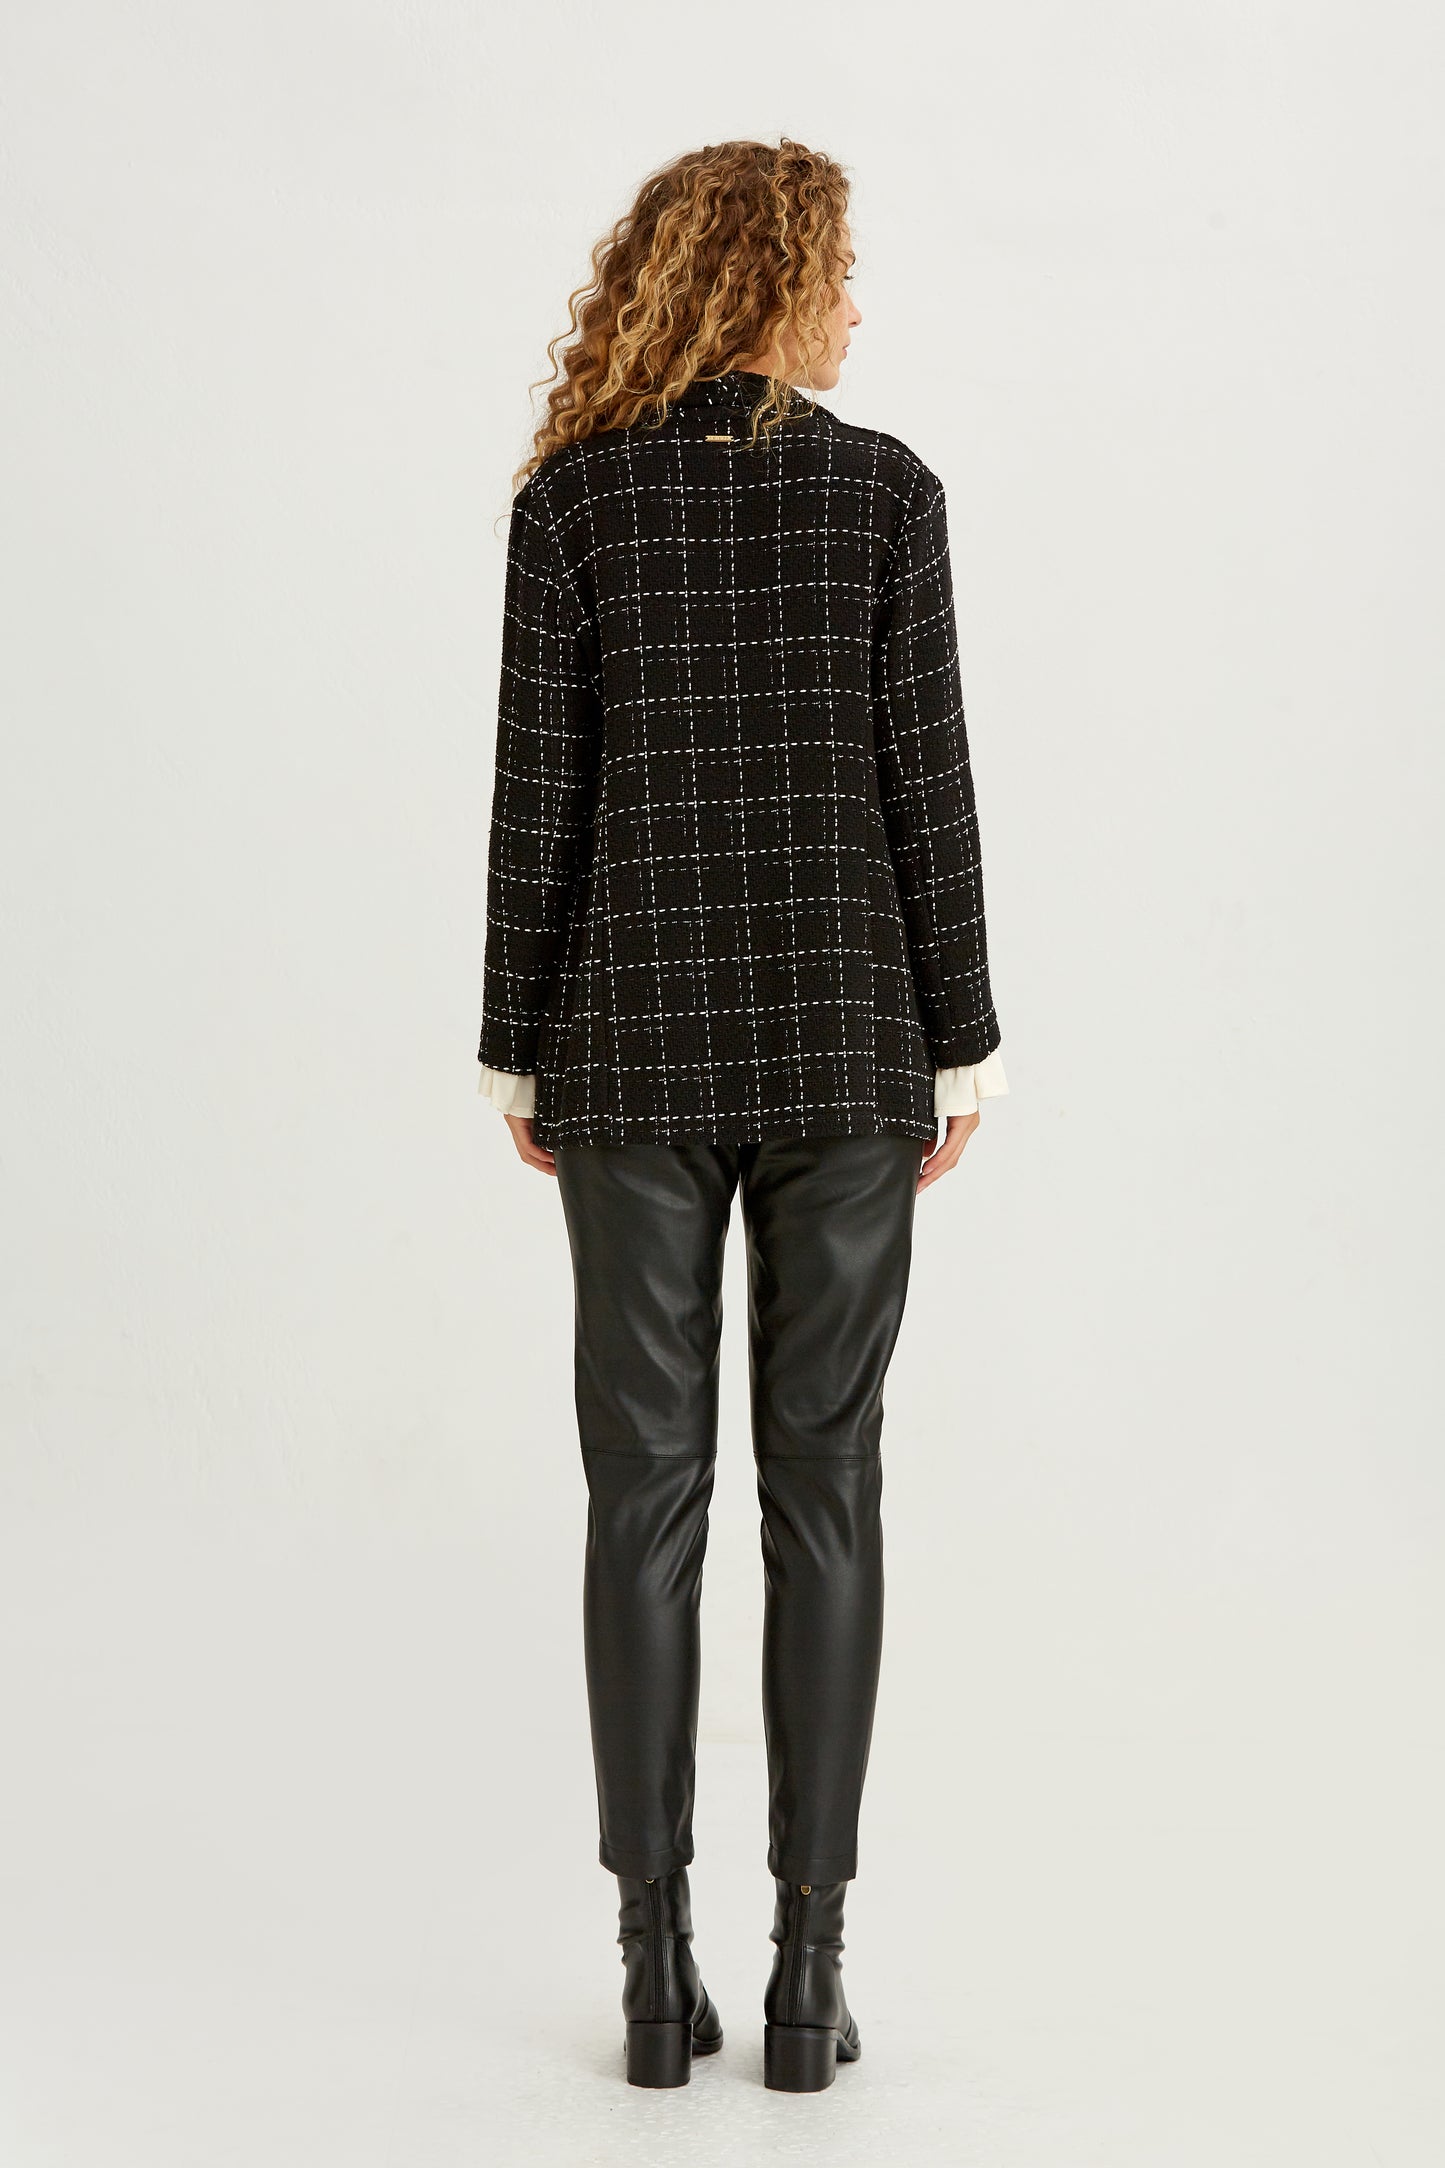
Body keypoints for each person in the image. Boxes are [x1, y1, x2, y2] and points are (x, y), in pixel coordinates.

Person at [476, 136, 1008, 2092]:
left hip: (626, 1048)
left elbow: (537, 802)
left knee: (641, 1494)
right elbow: (927, 785)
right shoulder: (886, 494)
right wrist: (963, 1042)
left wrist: (516, 1048)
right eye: (838, 269)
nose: (858, 304)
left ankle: (648, 1974)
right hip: (847, 1050)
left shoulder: (574, 502)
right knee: (825, 1488)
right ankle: (804, 1975)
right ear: (769, 280)